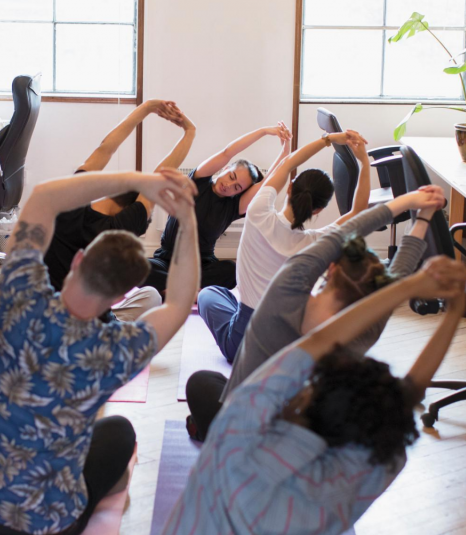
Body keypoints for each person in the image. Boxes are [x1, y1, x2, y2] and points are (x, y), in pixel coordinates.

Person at [112, 257, 466, 535]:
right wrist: (455, 313)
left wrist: (409, 286)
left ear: (305, 399)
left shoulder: (236, 434)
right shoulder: (358, 477)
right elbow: (407, 396)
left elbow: (320, 341)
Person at [0, 168, 201, 535]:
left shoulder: (17, 291)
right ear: (120, 295)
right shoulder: (115, 351)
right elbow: (180, 303)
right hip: (52, 527)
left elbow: (45, 196)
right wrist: (187, 219)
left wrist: (139, 181)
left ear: (77, 261)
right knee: (120, 433)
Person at [185, 183, 446, 442]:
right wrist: (423, 218)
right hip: (300, 442)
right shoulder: (368, 326)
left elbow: (339, 236)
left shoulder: (284, 296)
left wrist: (408, 201)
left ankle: (210, 430)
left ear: (331, 269)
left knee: (203, 382)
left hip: (242, 432)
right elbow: (399, 275)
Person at [198, 129, 374, 362]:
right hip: (286, 339)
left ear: (290, 187)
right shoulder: (317, 242)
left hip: (243, 345)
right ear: (318, 210)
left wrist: (329, 139)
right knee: (225, 294)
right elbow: (358, 210)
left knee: (208, 294)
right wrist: (364, 162)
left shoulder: (258, 212)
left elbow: (289, 162)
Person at [43, 99, 196, 322]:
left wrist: (146, 108)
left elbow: (105, 149)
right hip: (93, 323)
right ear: (130, 211)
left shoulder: (69, 206)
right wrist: (190, 132)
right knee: (151, 295)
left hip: (44, 313)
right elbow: (160, 178)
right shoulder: (120, 228)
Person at [144, 122, 293, 294]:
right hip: (166, 261)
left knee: (231, 269)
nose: (229, 185)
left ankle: (173, 290)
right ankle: (190, 292)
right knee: (140, 267)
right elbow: (228, 152)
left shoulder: (234, 207)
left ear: (240, 192)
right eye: (231, 176)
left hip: (201, 267)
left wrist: (285, 151)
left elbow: (267, 183)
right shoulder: (199, 180)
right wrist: (264, 131)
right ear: (226, 168)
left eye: (237, 187)